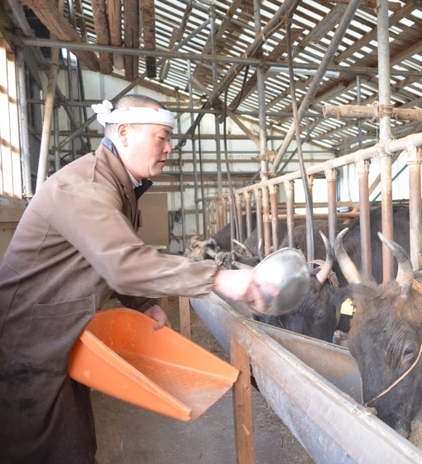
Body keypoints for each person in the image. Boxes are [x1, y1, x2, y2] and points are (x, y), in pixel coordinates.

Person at [0, 94, 277, 463]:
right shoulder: (87, 187)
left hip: (58, 339)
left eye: (169, 139)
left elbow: (104, 255)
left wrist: (141, 303)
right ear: (125, 133)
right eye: (160, 138)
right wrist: (217, 278)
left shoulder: (121, 185)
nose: (168, 148)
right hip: (24, 348)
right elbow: (123, 263)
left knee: (76, 445)